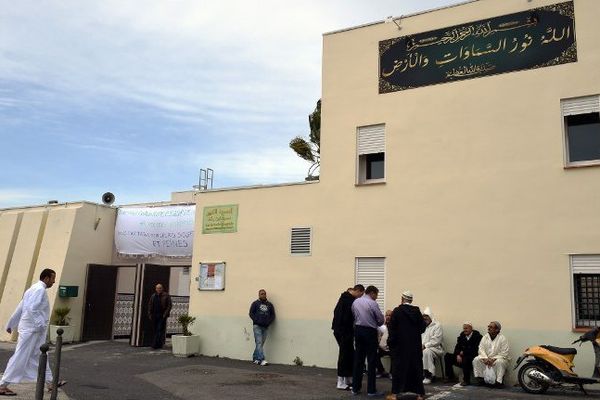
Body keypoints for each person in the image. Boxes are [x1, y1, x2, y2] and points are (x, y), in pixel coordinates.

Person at [0, 268, 65, 396]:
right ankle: (2, 385)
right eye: (52, 278)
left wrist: (11, 323)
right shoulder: (39, 290)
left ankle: (50, 383)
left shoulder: (32, 289)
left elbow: (21, 306)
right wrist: (40, 325)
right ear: (46, 278)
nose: (54, 281)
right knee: (20, 356)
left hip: (32, 329)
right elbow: (31, 309)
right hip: (32, 330)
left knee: (38, 356)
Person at [387, 291, 426, 400]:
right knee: (416, 368)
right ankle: (419, 394)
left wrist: (391, 343)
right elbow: (422, 328)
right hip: (414, 347)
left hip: (400, 347)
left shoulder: (397, 312)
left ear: (402, 299)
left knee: (398, 369)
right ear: (411, 300)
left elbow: (392, 329)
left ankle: (395, 394)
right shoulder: (417, 311)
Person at [351, 285, 385, 397]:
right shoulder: (372, 303)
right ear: (372, 293)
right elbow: (380, 320)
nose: (376, 297)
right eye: (376, 295)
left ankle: (355, 388)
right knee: (371, 361)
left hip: (358, 331)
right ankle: (371, 390)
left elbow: (354, 315)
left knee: (358, 360)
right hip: (370, 332)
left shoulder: (355, 302)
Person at [331, 284, 364, 390]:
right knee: (344, 355)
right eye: (361, 295)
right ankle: (340, 382)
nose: (360, 297)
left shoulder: (344, 298)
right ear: (358, 291)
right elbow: (346, 317)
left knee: (349, 353)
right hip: (344, 332)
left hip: (341, 330)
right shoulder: (348, 301)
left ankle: (347, 378)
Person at [473, 321, 510, 388]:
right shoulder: (485, 337)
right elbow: (481, 348)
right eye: (488, 327)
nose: (489, 328)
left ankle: (498, 382)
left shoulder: (502, 338)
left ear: (497, 329)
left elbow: (504, 353)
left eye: (491, 327)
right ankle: (481, 379)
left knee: (500, 362)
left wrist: (493, 359)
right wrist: (485, 358)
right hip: (486, 358)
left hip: (497, 358)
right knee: (476, 359)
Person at [249, 289, 275, 366]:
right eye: (261, 294)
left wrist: (268, 322)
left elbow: (273, 315)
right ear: (259, 295)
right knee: (259, 342)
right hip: (257, 326)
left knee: (260, 343)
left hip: (265, 327)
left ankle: (255, 358)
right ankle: (261, 359)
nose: (263, 295)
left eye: (264, 294)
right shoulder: (255, 303)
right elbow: (251, 313)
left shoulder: (270, 305)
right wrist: (256, 320)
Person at [421, 307, 443, 384]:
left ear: (430, 316)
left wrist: (425, 346)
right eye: (424, 317)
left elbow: (436, 340)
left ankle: (429, 375)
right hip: (423, 348)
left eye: (426, 316)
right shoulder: (422, 326)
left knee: (426, 352)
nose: (425, 318)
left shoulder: (437, 325)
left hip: (435, 348)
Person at [147, 283, 172, 349]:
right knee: (155, 330)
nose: (159, 289)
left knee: (159, 329)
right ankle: (159, 344)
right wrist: (149, 314)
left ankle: (154, 345)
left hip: (162, 315)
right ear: (156, 289)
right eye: (157, 288)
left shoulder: (166, 295)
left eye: (160, 288)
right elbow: (150, 305)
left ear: (162, 288)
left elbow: (169, 305)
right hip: (154, 315)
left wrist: (165, 314)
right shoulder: (153, 296)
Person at [375, 309, 393, 379]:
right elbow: (378, 338)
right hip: (382, 348)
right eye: (387, 315)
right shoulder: (381, 327)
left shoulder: (395, 326)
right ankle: (381, 371)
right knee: (374, 353)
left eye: (390, 315)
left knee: (395, 355)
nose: (388, 317)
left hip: (391, 348)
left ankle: (392, 373)